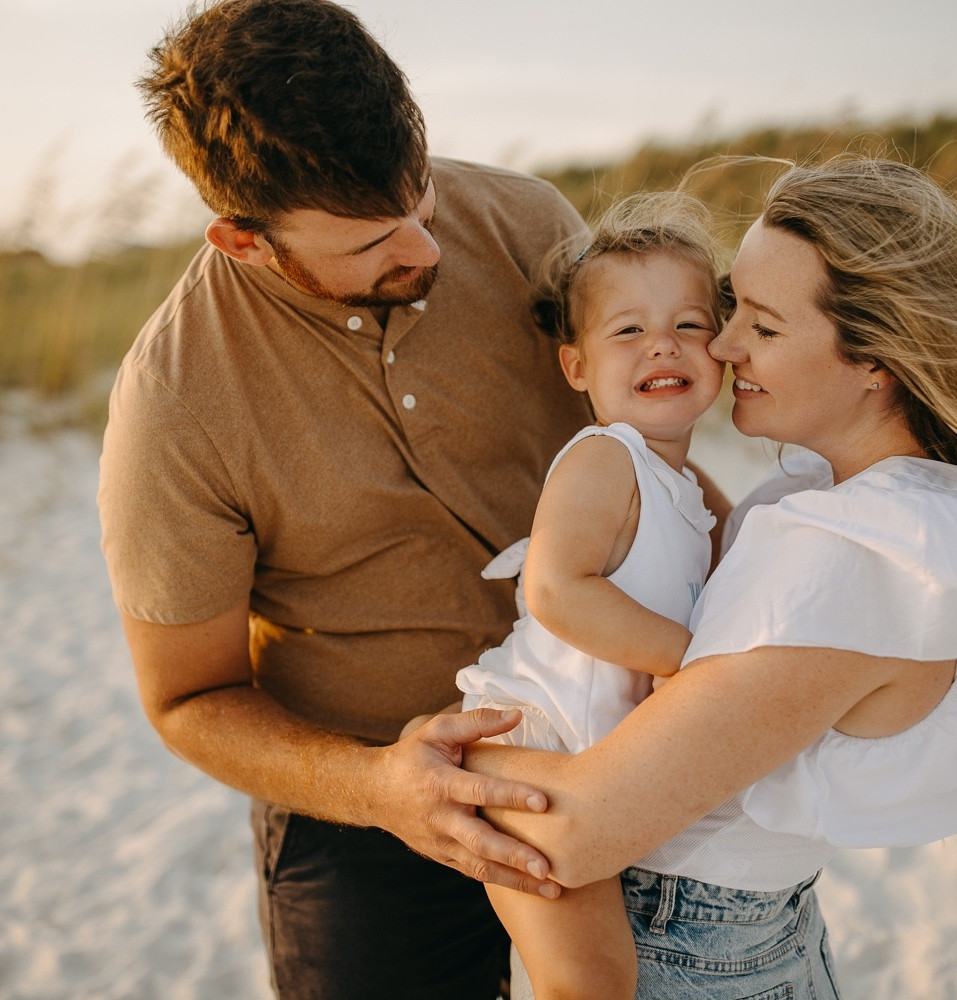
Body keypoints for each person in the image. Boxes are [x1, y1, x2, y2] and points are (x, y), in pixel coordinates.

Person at [96, 1, 602, 996]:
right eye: (374, 237)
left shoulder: (533, 225)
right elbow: (187, 698)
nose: (425, 245)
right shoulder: (172, 400)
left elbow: (648, 448)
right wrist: (380, 788)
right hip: (360, 814)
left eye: (420, 190)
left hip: (610, 751)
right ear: (243, 240)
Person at [453, 155, 957, 999]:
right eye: (733, 303)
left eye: (764, 325)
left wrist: (438, 765)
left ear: (876, 361)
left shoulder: (864, 552)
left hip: (692, 942)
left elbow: (579, 830)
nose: (724, 341)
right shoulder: (847, 498)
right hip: (737, 934)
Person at [404, 190, 726, 998]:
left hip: (595, 760)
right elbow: (553, 589)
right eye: (629, 331)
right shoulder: (603, 457)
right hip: (535, 743)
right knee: (588, 980)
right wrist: (686, 662)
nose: (663, 345)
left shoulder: (686, 486)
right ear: (576, 366)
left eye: (689, 325)